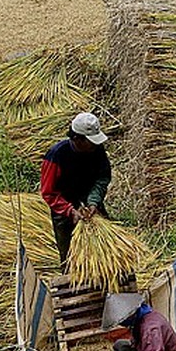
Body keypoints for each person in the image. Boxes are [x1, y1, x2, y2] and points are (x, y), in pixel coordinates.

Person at [40, 112, 111, 266]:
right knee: (70, 258)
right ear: (77, 139)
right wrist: (70, 211)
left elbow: (103, 177)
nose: (95, 145)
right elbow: (48, 192)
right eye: (90, 141)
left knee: (107, 251)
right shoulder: (56, 156)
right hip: (64, 208)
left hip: (91, 205)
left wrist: (93, 202)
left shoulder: (97, 150)